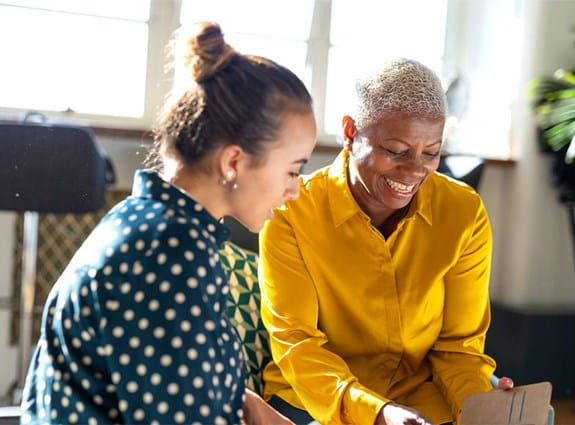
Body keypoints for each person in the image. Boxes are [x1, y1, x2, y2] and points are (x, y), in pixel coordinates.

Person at [20, 21, 316, 425]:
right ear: (233, 162)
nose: (295, 191)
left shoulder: (146, 221)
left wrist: (243, 402)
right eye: (293, 171)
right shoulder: (171, 254)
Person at [258, 58, 512, 425]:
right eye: (396, 150)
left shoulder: (463, 212)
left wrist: (480, 409)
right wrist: (376, 413)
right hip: (313, 398)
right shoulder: (291, 212)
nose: (414, 171)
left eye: (431, 153)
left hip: (422, 398)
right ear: (350, 132)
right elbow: (297, 344)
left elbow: (459, 349)